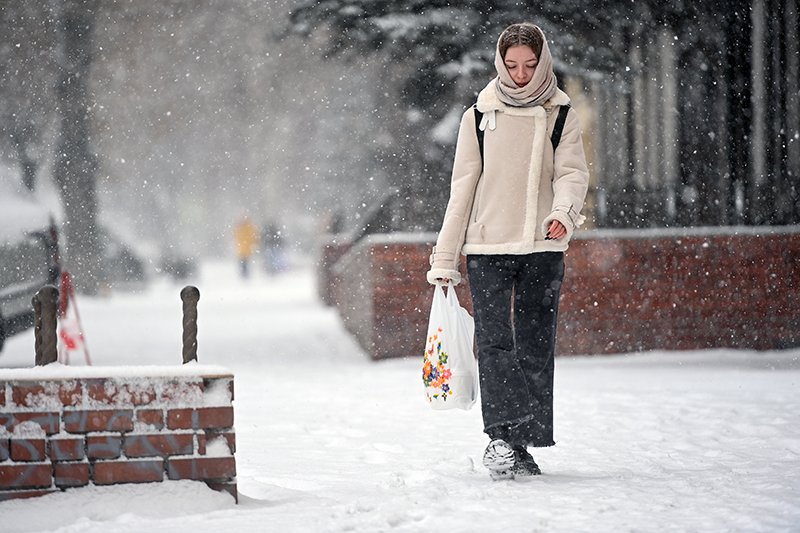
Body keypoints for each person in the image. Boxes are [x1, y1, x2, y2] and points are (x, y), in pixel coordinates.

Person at [426, 22, 590, 480]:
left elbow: (572, 175)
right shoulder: (478, 116)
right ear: (500, 63)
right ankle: (501, 439)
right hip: (487, 246)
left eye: (530, 65)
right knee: (496, 343)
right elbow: (462, 188)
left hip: (543, 245)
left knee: (536, 345)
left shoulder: (561, 114)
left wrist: (563, 213)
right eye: (512, 64)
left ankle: (523, 442)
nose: (520, 74)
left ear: (543, 63)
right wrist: (445, 257)